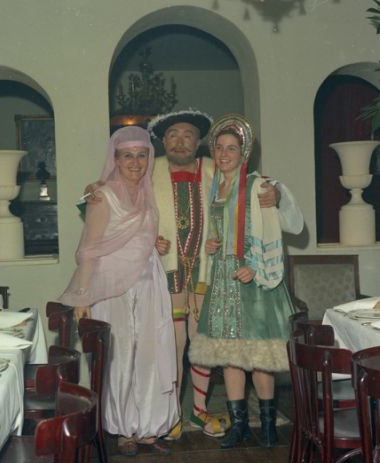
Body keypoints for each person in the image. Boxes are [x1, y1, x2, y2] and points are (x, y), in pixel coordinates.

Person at [85, 110, 295, 441]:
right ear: (162, 142)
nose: (180, 141)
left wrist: (277, 194)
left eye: (188, 136)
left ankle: (199, 410)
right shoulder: (148, 170)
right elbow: (116, 198)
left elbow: (251, 183)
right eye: (173, 135)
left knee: (203, 344)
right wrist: (95, 189)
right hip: (163, 270)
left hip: (209, 271)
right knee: (170, 344)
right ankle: (170, 414)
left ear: (199, 143)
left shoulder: (215, 168)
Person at [59, 126, 178, 457]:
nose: (135, 163)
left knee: (151, 352)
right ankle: (125, 430)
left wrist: (154, 243)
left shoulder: (147, 193)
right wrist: (83, 296)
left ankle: (150, 428)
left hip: (149, 282)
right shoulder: (103, 195)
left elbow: (137, 235)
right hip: (112, 287)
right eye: (128, 156)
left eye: (142, 155)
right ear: (116, 159)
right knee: (121, 356)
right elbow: (89, 249)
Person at [188, 113, 303, 449]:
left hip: (253, 281)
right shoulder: (216, 186)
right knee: (230, 356)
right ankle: (239, 425)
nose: (224, 154)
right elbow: (220, 229)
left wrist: (255, 266)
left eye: (231, 148)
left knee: (259, 356)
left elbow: (279, 227)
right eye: (219, 147)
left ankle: (267, 426)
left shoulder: (257, 185)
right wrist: (212, 244)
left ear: (244, 153)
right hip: (223, 279)